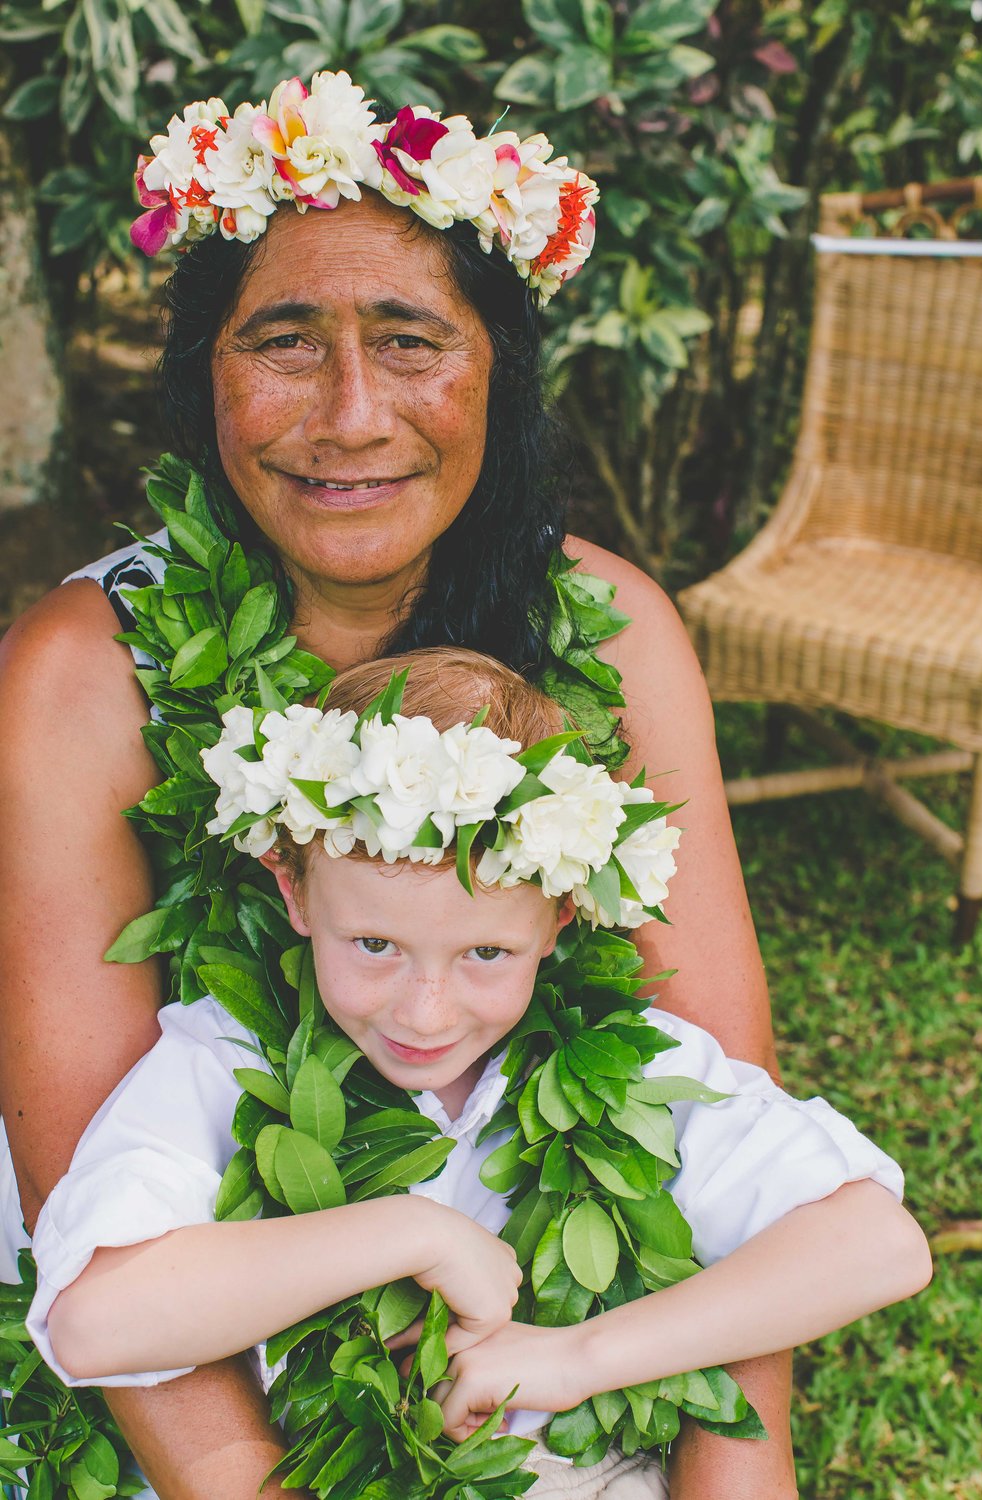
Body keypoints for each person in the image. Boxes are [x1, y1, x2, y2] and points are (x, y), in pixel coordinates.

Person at [0, 70, 784, 1498]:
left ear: (500, 365)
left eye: (412, 340)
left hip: (554, 1360)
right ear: (204, 376)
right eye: (285, 342)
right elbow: (85, 1199)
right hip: (179, 1372)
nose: (351, 416)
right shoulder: (80, 670)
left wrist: (735, 1485)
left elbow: (725, 1127)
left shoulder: (616, 630)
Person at [22, 649, 930, 1500]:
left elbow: (880, 1245)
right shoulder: (226, 1060)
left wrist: (580, 1357)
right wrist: (409, 1233)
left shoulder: (620, 1061)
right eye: (374, 944)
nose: (426, 1010)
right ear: (294, 890)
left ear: (563, 921)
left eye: (487, 953)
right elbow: (93, 1323)